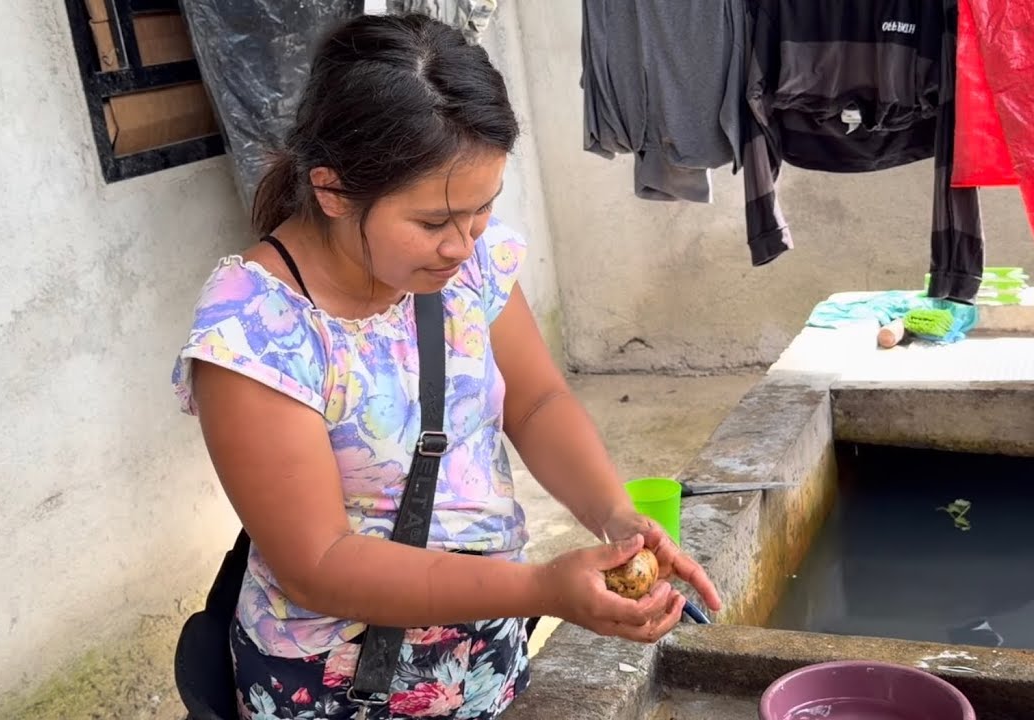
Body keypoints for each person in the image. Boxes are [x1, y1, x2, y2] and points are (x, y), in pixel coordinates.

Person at [170, 13, 722, 720]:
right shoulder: (252, 328)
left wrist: (614, 516)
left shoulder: (469, 265)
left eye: (482, 209)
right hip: (337, 685)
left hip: (485, 657)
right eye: (433, 222)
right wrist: (543, 590)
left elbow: (536, 402)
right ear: (333, 191)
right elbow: (320, 564)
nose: (463, 245)